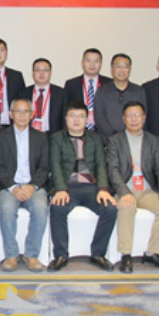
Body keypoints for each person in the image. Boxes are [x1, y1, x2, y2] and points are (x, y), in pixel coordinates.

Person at [106, 101, 159, 273]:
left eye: (137, 115)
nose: (134, 119)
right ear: (123, 119)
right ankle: (126, 255)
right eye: (129, 115)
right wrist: (124, 192)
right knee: (126, 206)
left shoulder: (153, 140)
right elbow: (113, 170)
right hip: (124, 189)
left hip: (147, 190)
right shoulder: (115, 140)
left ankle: (154, 253)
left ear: (144, 118)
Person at [47, 101, 117, 272]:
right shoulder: (56, 138)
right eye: (72, 115)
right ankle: (61, 255)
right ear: (66, 118)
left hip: (91, 187)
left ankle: (98, 253)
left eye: (81, 116)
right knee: (57, 208)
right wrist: (60, 189)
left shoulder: (95, 138)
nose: (76, 120)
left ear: (87, 119)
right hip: (67, 187)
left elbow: (101, 165)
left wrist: (103, 189)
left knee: (110, 209)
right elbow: (55, 165)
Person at [0, 98, 50, 272]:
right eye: (18, 111)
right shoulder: (0, 137)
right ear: (11, 114)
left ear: (32, 115)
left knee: (40, 206)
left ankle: (31, 254)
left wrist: (32, 186)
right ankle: (11, 255)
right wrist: (13, 187)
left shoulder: (41, 137)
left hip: (33, 186)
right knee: (8, 208)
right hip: (7, 187)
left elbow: (44, 167)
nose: (22, 115)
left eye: (26, 111)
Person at [95, 53, 147, 142]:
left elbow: (142, 115)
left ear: (130, 69)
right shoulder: (102, 91)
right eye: (118, 66)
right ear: (112, 69)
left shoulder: (138, 91)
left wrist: (128, 134)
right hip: (107, 141)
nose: (121, 70)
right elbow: (99, 117)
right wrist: (115, 135)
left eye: (125, 66)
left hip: (132, 140)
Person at [63, 48, 112, 132]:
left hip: (103, 131)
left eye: (96, 61)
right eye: (88, 61)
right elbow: (67, 110)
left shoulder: (109, 84)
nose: (92, 64)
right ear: (82, 63)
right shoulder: (71, 84)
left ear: (101, 64)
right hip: (78, 131)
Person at [21, 58, 66, 134]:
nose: (41, 73)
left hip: (53, 135)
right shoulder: (23, 93)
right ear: (33, 73)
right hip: (29, 134)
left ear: (50, 73)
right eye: (38, 70)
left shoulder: (61, 93)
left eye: (45, 70)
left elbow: (64, 118)